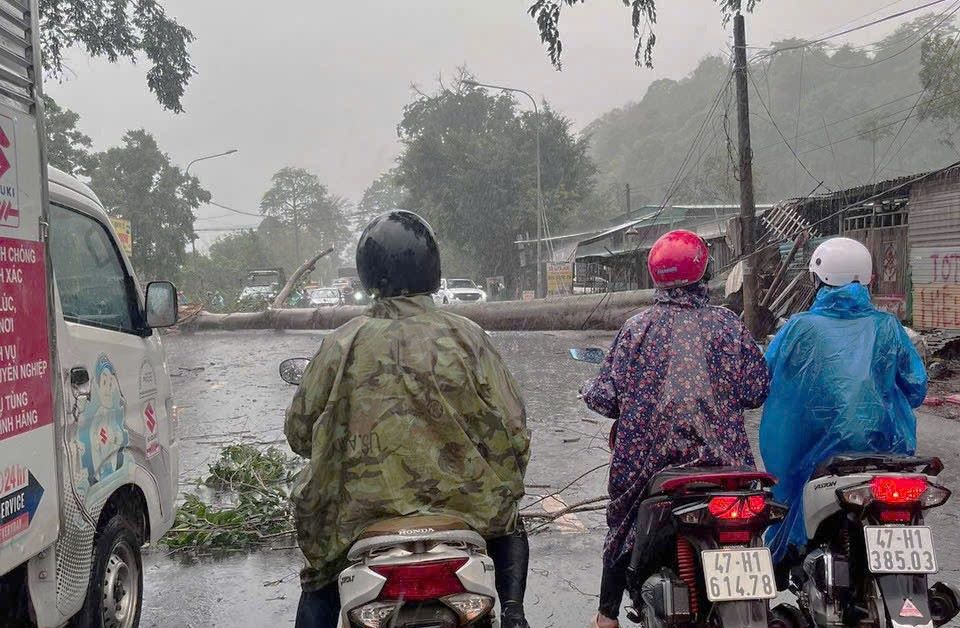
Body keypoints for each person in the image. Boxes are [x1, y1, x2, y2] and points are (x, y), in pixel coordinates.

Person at [285, 210, 532, 628]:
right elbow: (514, 431)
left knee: (318, 579)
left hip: (354, 524)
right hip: (468, 514)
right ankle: (514, 613)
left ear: (368, 273)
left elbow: (299, 435)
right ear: (432, 269)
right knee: (511, 526)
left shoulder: (339, 345)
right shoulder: (469, 338)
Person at [581, 229, 770, 628]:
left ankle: (607, 616)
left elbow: (605, 398)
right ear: (705, 271)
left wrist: (588, 388)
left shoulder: (637, 329)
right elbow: (756, 391)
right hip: (727, 467)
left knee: (621, 523)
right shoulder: (729, 325)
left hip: (653, 469)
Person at [760, 237, 927, 566]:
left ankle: (791, 557)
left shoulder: (798, 328)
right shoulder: (889, 327)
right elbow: (916, 389)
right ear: (866, 279)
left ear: (818, 279)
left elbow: (762, 380)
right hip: (884, 453)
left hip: (814, 456)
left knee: (786, 505)